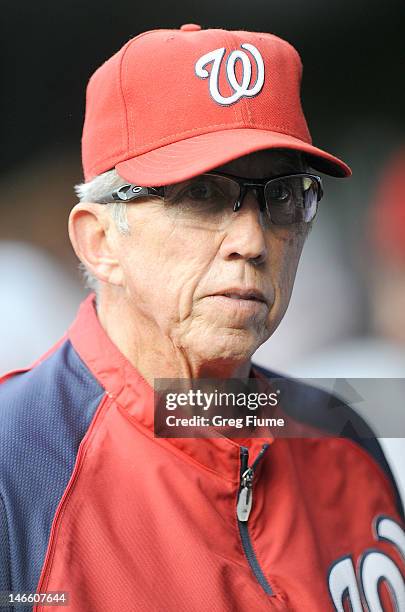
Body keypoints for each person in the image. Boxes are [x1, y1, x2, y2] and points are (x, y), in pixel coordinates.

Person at [0, 25, 404, 612]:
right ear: (99, 242)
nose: (252, 238)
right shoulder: (18, 464)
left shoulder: (341, 432)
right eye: (201, 195)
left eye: (283, 194)